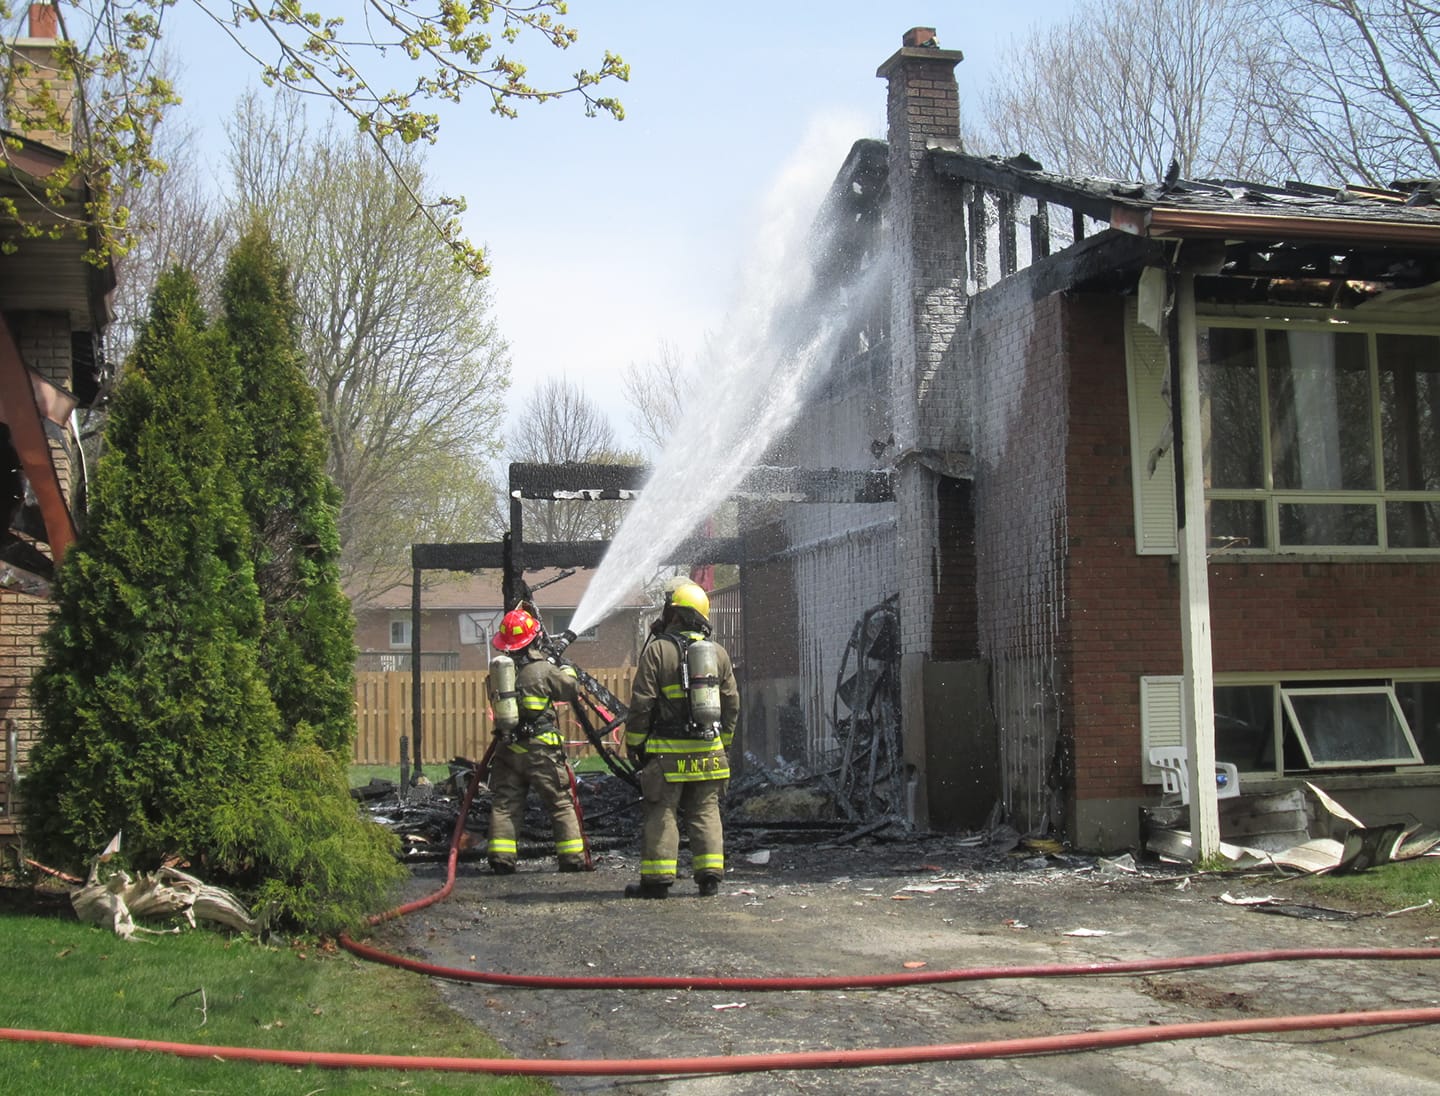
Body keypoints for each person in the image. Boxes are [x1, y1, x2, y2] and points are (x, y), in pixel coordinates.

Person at [623, 581, 740, 899]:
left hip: (667, 755)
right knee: (705, 811)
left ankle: (657, 881)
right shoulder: (718, 653)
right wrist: (724, 742)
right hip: (709, 753)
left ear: (674, 614)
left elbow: (642, 703)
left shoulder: (658, 650)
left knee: (662, 810)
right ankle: (709, 877)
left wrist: (635, 744)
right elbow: (731, 704)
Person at [484, 607, 590, 874]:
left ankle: (501, 859)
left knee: (505, 804)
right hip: (540, 751)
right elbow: (570, 690)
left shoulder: (498, 673)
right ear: (534, 639)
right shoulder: (543, 670)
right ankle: (572, 859)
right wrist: (566, 669)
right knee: (560, 802)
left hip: (508, 748)